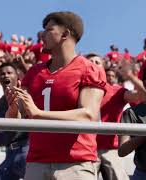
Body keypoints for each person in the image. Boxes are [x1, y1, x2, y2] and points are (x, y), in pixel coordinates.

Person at [6, 11, 106, 180]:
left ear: (65, 34)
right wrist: (14, 107)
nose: (42, 34)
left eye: (49, 30)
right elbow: (15, 120)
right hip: (37, 162)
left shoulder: (89, 69)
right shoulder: (35, 72)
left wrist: (39, 114)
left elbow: (88, 114)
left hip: (74, 162)